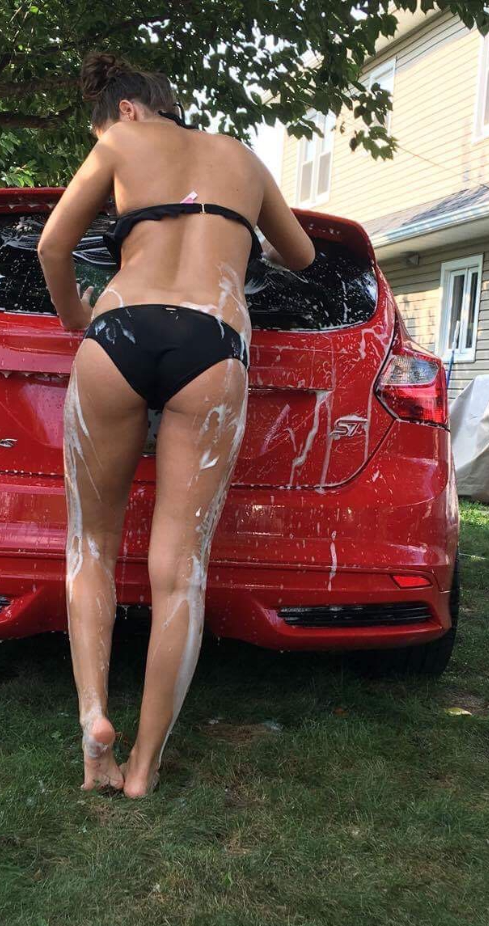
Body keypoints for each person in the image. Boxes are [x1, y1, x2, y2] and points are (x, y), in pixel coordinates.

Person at [37, 53, 316, 797]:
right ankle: (145, 765)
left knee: (91, 544)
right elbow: (302, 253)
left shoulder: (119, 141)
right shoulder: (242, 157)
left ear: (126, 110)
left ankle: (94, 725)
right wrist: (240, 230)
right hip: (213, 341)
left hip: (120, 330)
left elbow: (52, 246)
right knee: (182, 568)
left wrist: (75, 315)